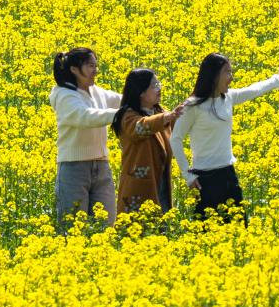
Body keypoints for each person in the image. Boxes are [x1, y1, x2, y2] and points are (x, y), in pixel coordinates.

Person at [169, 53, 279, 222]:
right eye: (227, 72)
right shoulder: (193, 106)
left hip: (228, 173)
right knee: (207, 230)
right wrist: (188, 175)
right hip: (205, 178)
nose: (231, 77)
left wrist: (277, 79)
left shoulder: (228, 98)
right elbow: (176, 139)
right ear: (214, 75)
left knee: (238, 226)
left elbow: (254, 90)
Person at [49, 47, 122, 226]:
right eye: (90, 66)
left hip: (101, 166)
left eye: (96, 66)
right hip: (74, 168)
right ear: (74, 69)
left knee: (106, 224)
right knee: (73, 227)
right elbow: (85, 116)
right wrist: (122, 114)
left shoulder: (96, 91)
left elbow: (124, 100)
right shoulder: (64, 95)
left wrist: (153, 107)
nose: (95, 70)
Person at [111, 69, 185, 216]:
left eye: (159, 84)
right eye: (154, 85)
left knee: (161, 225)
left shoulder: (159, 112)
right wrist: (167, 117)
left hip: (161, 182)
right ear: (141, 92)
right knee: (138, 226)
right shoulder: (128, 116)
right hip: (139, 188)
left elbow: (174, 128)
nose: (159, 88)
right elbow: (141, 127)